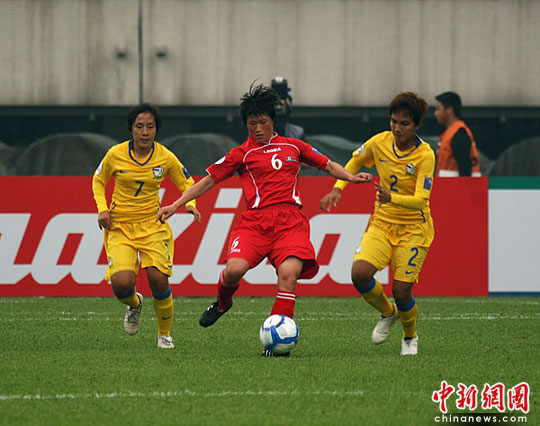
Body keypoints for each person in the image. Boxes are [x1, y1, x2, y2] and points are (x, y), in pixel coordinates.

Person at [156, 83, 372, 357]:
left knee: (288, 275)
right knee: (233, 271)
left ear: (272, 120)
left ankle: (278, 345)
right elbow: (209, 180)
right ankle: (223, 303)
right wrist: (177, 204)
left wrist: (349, 177)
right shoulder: (241, 154)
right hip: (255, 224)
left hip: (290, 223)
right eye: (252, 123)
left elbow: (327, 164)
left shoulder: (294, 146)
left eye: (263, 122)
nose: (258, 128)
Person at [320, 92, 435, 356]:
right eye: (393, 121)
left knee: (401, 291)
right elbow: (356, 160)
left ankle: (410, 336)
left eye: (404, 123)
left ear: (417, 125)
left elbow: (421, 200)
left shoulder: (425, 156)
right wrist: (339, 187)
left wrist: (391, 197)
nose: (397, 128)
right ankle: (387, 312)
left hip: (413, 230)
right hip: (382, 224)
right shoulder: (379, 142)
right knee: (359, 274)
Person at [92, 103, 202, 349]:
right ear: (131, 129)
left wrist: (190, 203)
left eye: (150, 127)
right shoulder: (115, 154)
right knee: (122, 286)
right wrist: (102, 208)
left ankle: (164, 334)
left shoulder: (165, 157)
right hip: (120, 226)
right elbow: (98, 180)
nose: (144, 132)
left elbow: (186, 182)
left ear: (156, 130)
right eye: (139, 126)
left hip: (152, 225)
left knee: (158, 280)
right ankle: (134, 303)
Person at [434, 91, 481, 177]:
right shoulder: (451, 133)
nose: (435, 114)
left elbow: (465, 168)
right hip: (449, 184)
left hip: (456, 185)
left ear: (449, 110)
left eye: (438, 109)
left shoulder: (459, 134)